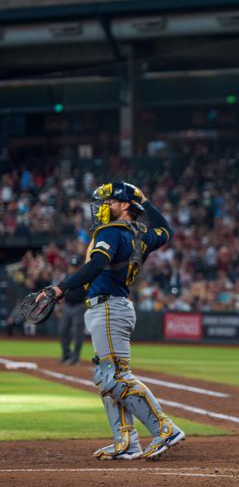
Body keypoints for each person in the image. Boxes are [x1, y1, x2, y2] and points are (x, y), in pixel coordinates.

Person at [36, 182, 185, 460]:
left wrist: (59, 288)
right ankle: (126, 441)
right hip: (114, 307)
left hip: (107, 308)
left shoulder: (112, 231)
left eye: (110, 202)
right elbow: (166, 230)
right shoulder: (140, 234)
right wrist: (146, 200)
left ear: (125, 205)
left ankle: (165, 429)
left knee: (114, 376)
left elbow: (95, 265)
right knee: (108, 377)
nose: (104, 207)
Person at [57, 256, 87, 365]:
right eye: (71, 266)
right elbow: (61, 291)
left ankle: (75, 359)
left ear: (79, 267)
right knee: (62, 330)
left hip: (79, 306)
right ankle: (66, 356)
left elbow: (88, 293)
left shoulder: (84, 277)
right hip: (67, 306)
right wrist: (60, 306)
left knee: (77, 333)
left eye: (75, 266)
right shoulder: (66, 277)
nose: (72, 269)